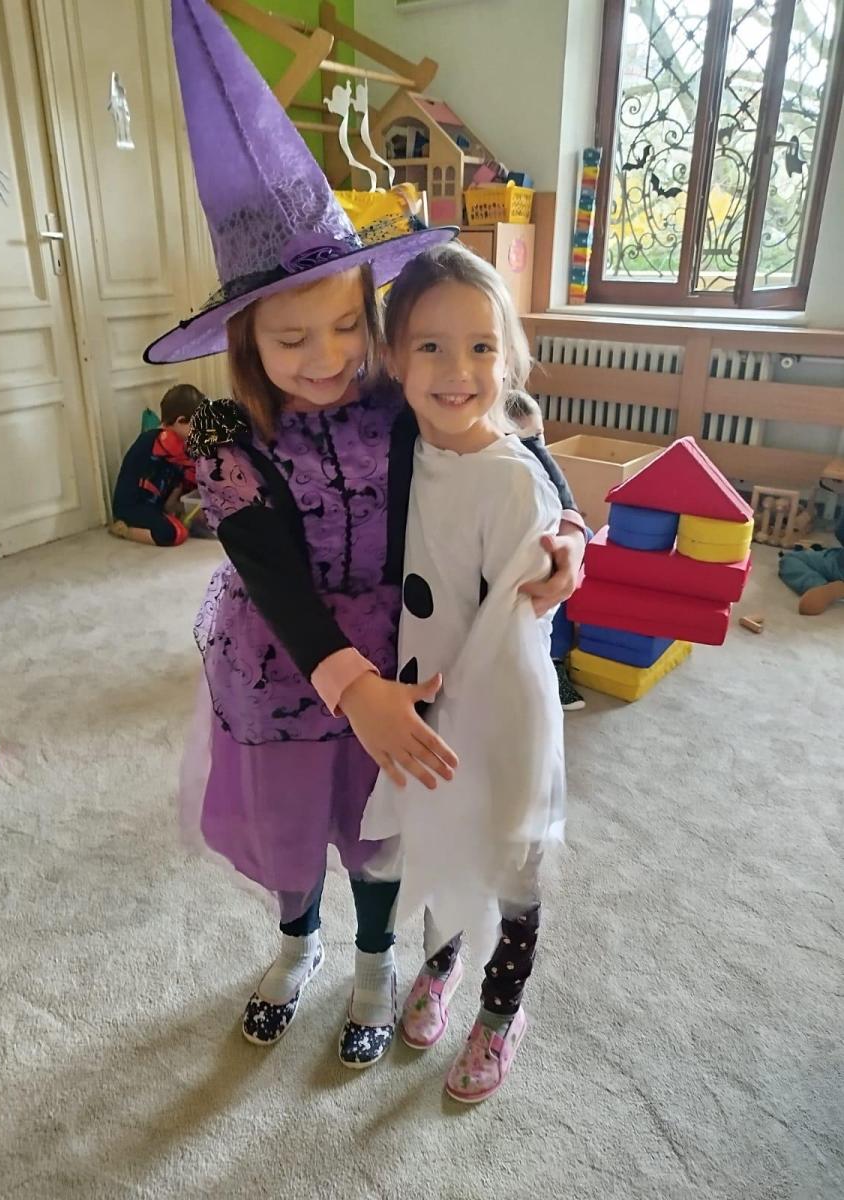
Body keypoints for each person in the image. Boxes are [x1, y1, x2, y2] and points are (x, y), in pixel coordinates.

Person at [150, 0, 586, 1069]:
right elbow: (275, 581)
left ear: (375, 314)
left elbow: (511, 434)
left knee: (380, 823)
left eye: (349, 324)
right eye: (292, 338)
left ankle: (378, 963)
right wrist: (353, 687)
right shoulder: (226, 437)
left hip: (404, 645)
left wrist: (570, 527)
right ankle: (298, 943)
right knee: (293, 823)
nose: (327, 356)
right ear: (246, 340)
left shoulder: (397, 394)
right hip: (289, 658)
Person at [362, 243, 569, 1102]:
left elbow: (515, 639)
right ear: (393, 359)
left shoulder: (513, 482)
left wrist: (571, 534)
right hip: (431, 704)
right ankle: (441, 965)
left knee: (510, 863)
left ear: (508, 357)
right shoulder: (398, 443)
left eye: (481, 347)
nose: (457, 371)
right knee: (437, 843)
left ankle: (501, 1011)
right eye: (431, 347)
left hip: (503, 712)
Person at [505, 391, 587, 710]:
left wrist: (574, 534)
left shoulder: (541, 464)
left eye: (539, 437)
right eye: (523, 440)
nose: (537, 449)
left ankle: (556, 657)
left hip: (552, 539)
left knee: (581, 543)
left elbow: (566, 501)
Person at [109, 383, 202, 547]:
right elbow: (190, 465)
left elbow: (179, 477)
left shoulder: (178, 442)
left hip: (157, 504)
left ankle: (169, 514)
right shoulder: (159, 441)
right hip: (133, 507)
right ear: (180, 421)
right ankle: (124, 529)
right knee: (174, 533)